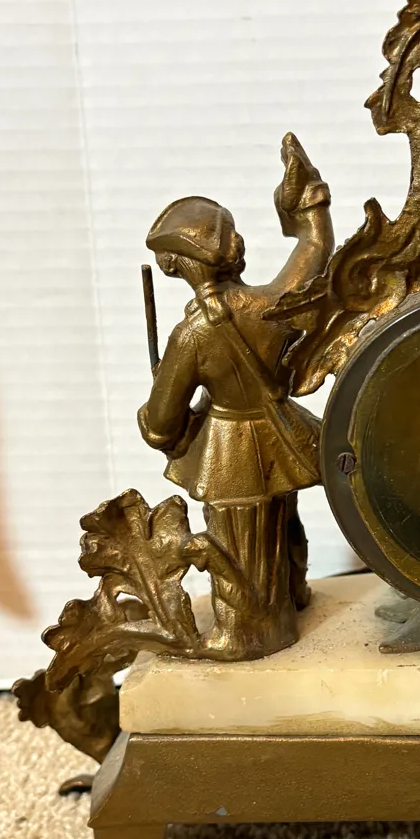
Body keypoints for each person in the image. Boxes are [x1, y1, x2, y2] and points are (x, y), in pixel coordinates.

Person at [137, 134, 334, 656]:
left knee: (239, 540)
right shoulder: (273, 304)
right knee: (282, 516)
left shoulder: (192, 335)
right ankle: (293, 593)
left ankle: (252, 632)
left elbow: (161, 426)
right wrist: (308, 199)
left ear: (177, 266)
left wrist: (149, 417)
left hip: (230, 447)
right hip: (279, 432)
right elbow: (315, 250)